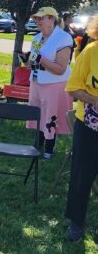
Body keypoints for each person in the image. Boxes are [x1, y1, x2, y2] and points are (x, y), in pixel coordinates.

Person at [64, 14, 98, 242]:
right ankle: (76, 222)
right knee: (82, 177)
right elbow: (73, 88)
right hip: (89, 125)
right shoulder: (91, 52)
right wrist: (95, 100)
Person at [23, 7, 73, 159]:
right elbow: (33, 61)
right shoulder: (37, 38)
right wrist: (28, 62)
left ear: (51, 19)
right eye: (36, 19)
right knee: (38, 113)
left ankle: (49, 149)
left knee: (51, 115)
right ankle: (38, 143)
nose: (37, 21)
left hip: (54, 84)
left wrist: (40, 60)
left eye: (41, 18)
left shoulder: (63, 38)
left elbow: (60, 69)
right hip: (37, 82)